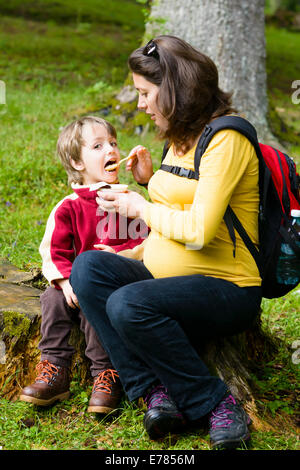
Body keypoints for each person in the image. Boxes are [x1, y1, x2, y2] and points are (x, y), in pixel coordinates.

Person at [69, 36, 262, 449]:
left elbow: (197, 230)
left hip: (228, 287)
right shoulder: (178, 140)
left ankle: (215, 403)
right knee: (89, 268)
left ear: (174, 89)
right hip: (166, 280)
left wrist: (139, 206)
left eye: (145, 92)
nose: (140, 103)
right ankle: (157, 390)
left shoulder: (226, 140)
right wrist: (145, 192)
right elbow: (172, 215)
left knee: (128, 303)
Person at [20, 115, 148, 414]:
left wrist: (126, 256)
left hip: (117, 283)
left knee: (98, 303)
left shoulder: (130, 201)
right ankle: (54, 368)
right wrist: (64, 282)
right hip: (74, 284)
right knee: (51, 299)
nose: (111, 151)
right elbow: (53, 250)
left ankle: (106, 373)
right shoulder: (70, 206)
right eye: (98, 145)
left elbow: (147, 242)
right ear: (78, 163)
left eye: (114, 143)